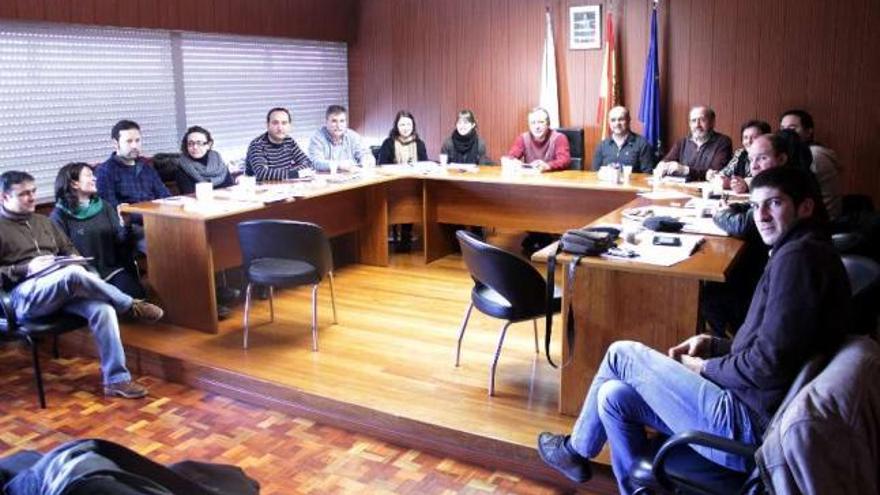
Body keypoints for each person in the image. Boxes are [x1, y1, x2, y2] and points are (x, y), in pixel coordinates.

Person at [536, 166, 851, 493]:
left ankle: (575, 450)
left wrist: (706, 367)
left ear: (805, 207)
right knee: (612, 396)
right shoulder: (803, 250)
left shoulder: (798, 260)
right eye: (756, 206)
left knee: (620, 355)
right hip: (749, 408)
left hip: (746, 425)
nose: (762, 216)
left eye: (774, 203)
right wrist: (714, 345)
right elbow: (775, 346)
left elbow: (766, 365)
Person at [0, 171, 165, 399]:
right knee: (73, 274)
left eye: (34, 192)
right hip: (24, 296)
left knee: (104, 310)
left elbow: (68, 248)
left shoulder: (43, 221)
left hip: (61, 288)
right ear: (4, 198)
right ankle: (131, 305)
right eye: (24, 194)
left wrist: (73, 259)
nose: (32, 198)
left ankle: (116, 380)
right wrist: (26, 268)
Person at [703, 133, 793, 336]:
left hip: (766, 276)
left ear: (781, 159)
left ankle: (728, 342)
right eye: (751, 160)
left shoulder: (783, 187)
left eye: (762, 158)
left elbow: (743, 225)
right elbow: (747, 209)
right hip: (767, 265)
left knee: (711, 291)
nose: (754, 166)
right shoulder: (779, 181)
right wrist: (733, 209)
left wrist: (721, 213)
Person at [50, 163, 145, 299]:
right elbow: (61, 254)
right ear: (74, 183)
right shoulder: (59, 215)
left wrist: (126, 224)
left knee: (135, 297)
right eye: (89, 175)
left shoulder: (104, 206)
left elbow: (121, 242)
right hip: (84, 277)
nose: (95, 178)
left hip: (112, 270)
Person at [95, 120, 171, 252]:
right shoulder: (105, 171)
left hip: (159, 222)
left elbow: (165, 196)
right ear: (115, 143)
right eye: (129, 141)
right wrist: (150, 216)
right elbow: (113, 211)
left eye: (138, 140)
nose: (135, 146)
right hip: (132, 229)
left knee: (193, 237)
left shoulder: (146, 166)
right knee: (166, 247)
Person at [377, 111, 429, 252]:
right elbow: (381, 165)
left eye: (408, 124)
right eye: (402, 124)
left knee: (411, 196)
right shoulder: (388, 143)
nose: (405, 127)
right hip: (392, 185)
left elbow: (425, 165)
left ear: (413, 126)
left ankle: (406, 237)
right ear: (396, 126)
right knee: (401, 197)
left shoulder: (419, 143)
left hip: (414, 185)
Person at [780, 109, 842, 219]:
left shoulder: (814, 155)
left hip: (822, 222)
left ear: (808, 132)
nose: (786, 133)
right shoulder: (800, 153)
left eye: (792, 128)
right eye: (782, 129)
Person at [655, 106, 733, 181]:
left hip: (707, 191)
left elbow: (716, 172)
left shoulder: (723, 142)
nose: (697, 125)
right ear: (689, 124)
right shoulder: (682, 142)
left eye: (702, 120)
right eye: (693, 121)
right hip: (682, 189)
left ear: (712, 122)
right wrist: (662, 166)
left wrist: (686, 170)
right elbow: (667, 160)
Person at [245, 107, 313, 181]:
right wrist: (295, 173)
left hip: (284, 187)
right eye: (275, 123)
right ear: (267, 125)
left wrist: (287, 173)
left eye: (284, 123)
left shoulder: (289, 141)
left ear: (289, 126)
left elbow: (308, 163)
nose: (280, 128)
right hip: (259, 190)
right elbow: (262, 174)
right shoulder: (257, 145)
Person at [706, 119, 771, 192]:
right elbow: (725, 173)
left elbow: (771, 178)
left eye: (754, 137)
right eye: (745, 138)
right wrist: (716, 176)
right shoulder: (740, 153)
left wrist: (746, 184)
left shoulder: (770, 155)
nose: (749, 141)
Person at [308, 105, 374, 173]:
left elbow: (365, 153)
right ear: (326, 122)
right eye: (334, 121)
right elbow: (316, 163)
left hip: (353, 178)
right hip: (328, 180)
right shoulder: (317, 138)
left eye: (342, 121)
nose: (338, 125)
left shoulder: (352, 136)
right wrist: (339, 165)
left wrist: (367, 160)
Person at [504, 107, 571, 172]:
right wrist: (512, 162)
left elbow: (564, 160)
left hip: (553, 179)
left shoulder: (559, 138)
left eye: (541, 122)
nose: (537, 127)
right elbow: (510, 157)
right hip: (531, 180)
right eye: (533, 123)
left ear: (548, 124)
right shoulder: (523, 138)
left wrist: (547, 166)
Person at [591, 106, 655, 173]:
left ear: (628, 120)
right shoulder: (602, 145)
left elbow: (647, 175)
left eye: (621, 119)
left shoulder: (642, 144)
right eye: (613, 120)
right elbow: (595, 173)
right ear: (609, 123)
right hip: (607, 183)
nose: (617, 123)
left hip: (632, 183)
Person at [176, 126, 233, 194]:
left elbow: (230, 187)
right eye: (190, 144)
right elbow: (190, 195)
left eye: (199, 143)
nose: (195, 147)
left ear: (208, 145)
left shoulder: (218, 161)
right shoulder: (183, 166)